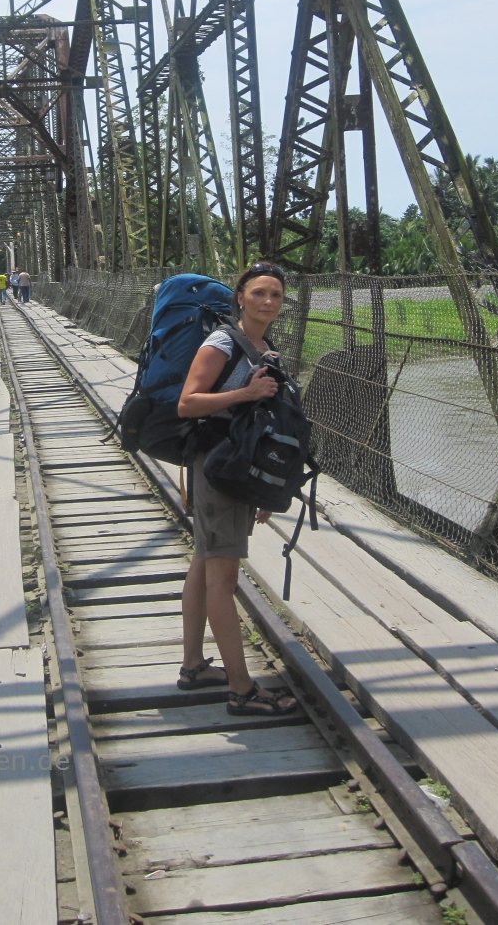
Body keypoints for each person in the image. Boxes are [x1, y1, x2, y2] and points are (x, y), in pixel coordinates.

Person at [175, 261, 300, 717]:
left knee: (204, 563)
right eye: (259, 293)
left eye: (277, 296)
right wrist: (243, 395)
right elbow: (188, 403)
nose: (268, 302)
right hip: (216, 468)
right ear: (240, 296)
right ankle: (241, 690)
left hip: (235, 470)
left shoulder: (265, 347)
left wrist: (261, 489)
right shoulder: (223, 342)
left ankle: (192, 667)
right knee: (222, 581)